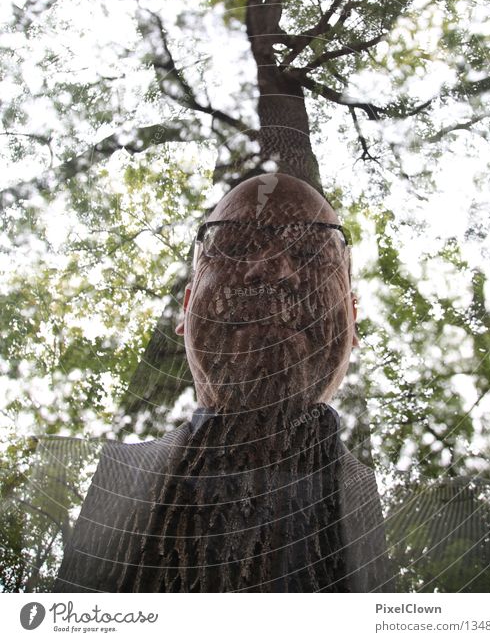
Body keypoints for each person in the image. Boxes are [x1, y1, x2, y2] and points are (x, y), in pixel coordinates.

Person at [53, 173, 393, 592]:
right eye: (234, 248)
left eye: (310, 253)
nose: (272, 270)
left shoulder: (415, 512)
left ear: (352, 320)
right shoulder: (76, 494)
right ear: (187, 307)